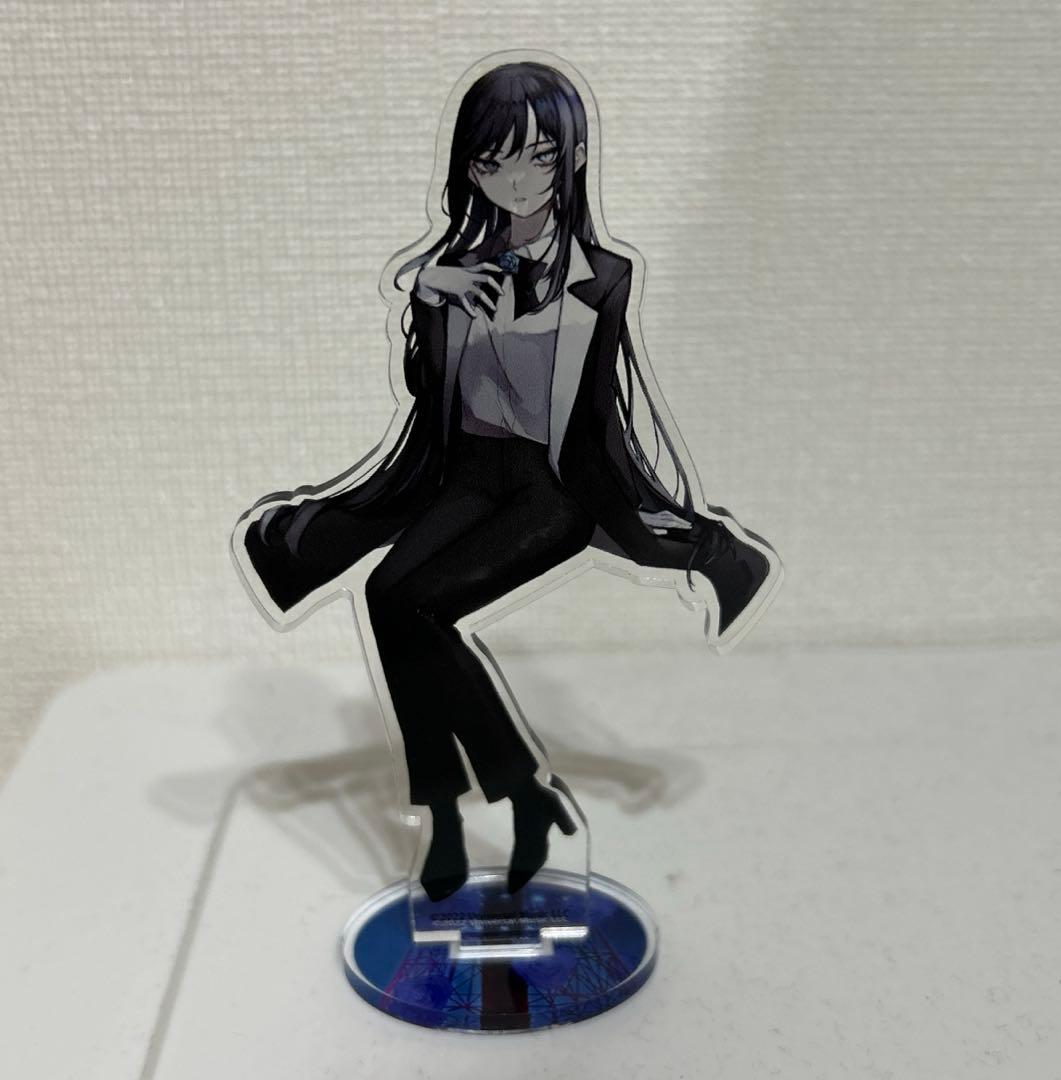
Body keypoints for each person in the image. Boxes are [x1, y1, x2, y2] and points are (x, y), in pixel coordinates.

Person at [231, 59, 782, 903]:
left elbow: (592, 427)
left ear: (574, 158)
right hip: (464, 478)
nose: (515, 182)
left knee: (417, 607)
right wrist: (428, 291)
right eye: (492, 163)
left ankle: (501, 798)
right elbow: (429, 398)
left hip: (550, 491)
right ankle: (482, 806)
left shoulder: (604, 278)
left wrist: (651, 527)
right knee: (386, 599)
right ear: (469, 170)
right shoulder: (454, 271)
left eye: (538, 159)